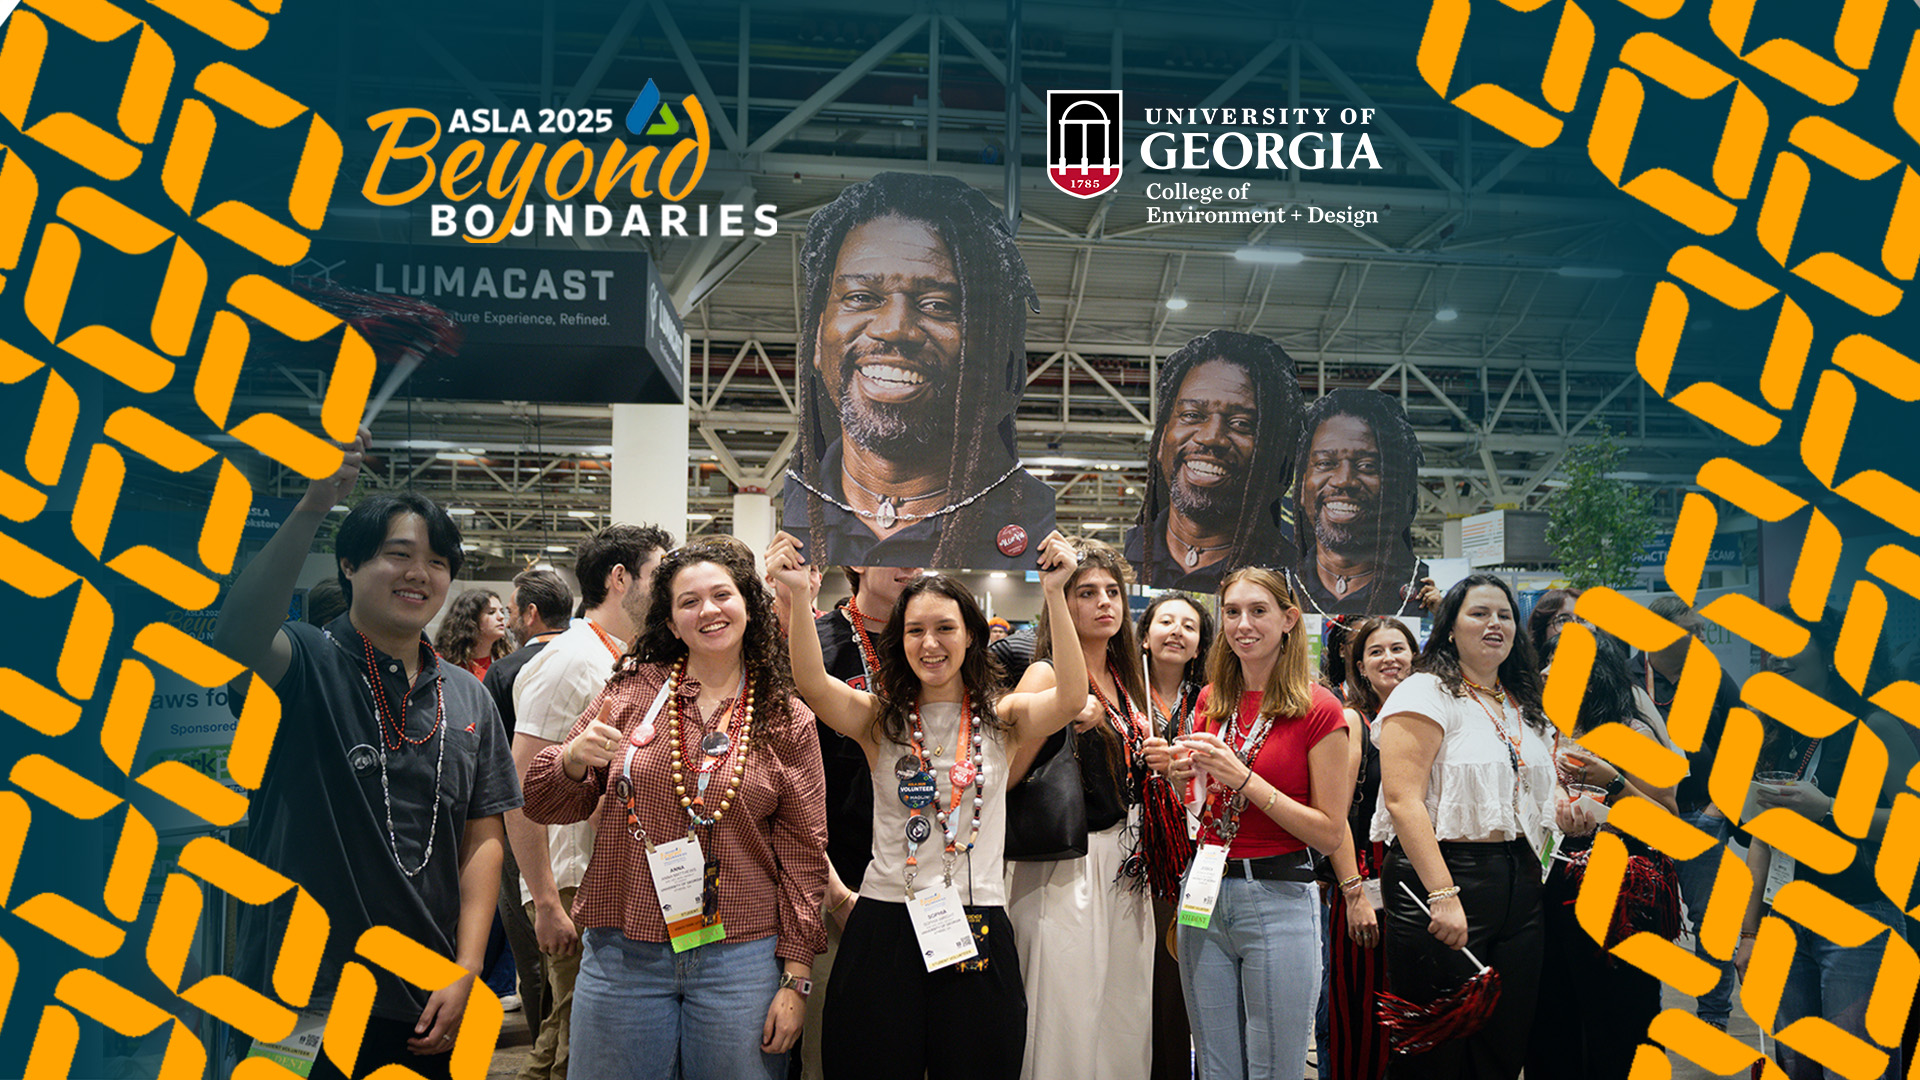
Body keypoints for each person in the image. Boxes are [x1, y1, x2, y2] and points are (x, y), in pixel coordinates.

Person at [211, 431, 521, 1080]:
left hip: (424, 998)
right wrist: (312, 506)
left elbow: (482, 836)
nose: (419, 573)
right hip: (301, 997)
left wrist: (468, 968)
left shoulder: (467, 694)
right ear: (348, 566)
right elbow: (236, 637)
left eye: (438, 561)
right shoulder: (304, 661)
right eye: (397, 554)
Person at [767, 527, 1087, 1079]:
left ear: (971, 636)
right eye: (915, 630)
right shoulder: (879, 720)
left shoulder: (1004, 718)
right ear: (901, 640)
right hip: (884, 922)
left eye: (945, 628)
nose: (930, 643)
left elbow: (1071, 698)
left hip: (976, 920)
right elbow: (813, 685)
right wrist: (797, 595)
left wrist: (1055, 594)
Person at [521, 539, 827, 1080]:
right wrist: (570, 760)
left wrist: (796, 978)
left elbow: (805, 854)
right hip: (623, 952)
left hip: (740, 958)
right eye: (689, 601)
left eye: (722, 595)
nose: (708, 610)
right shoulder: (631, 691)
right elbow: (545, 802)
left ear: (749, 605)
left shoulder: (785, 717)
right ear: (671, 621)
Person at [782, 172, 1057, 570]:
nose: (894, 329)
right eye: (861, 297)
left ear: (992, 347)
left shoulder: (1030, 521)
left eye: (937, 305)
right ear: (818, 334)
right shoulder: (798, 518)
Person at [1142, 567, 1349, 1080]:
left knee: (1274, 1067)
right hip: (1204, 892)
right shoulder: (1212, 701)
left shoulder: (1320, 709)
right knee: (1214, 1066)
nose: (1243, 625)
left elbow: (1328, 832)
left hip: (1279, 895)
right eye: (1232, 612)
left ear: (1289, 620)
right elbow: (1204, 810)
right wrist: (1180, 778)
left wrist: (1244, 778)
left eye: (1258, 611)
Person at [1372, 573, 1555, 1080]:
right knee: (1435, 1045)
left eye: (1504, 615)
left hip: (1521, 881)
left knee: (1503, 1042)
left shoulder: (1521, 701)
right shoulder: (1423, 691)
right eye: (1479, 613)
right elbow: (1402, 800)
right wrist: (1442, 893)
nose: (1495, 623)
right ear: (1450, 627)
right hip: (1444, 876)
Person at [508, 524, 674, 1080]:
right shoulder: (570, 659)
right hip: (570, 880)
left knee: (572, 1033)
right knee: (574, 1042)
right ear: (619, 578)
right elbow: (520, 786)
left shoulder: (622, 655)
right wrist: (545, 900)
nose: (669, 585)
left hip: (603, 874)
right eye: (659, 573)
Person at [1736, 607, 1917, 1080]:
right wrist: (1749, 933)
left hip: (1857, 918)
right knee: (1798, 1067)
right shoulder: (1777, 730)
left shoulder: (1874, 726)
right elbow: (1762, 838)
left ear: (1831, 654)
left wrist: (1831, 809)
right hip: (1784, 922)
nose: (1777, 657)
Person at [1005, 539, 1161, 1079]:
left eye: (1112, 592)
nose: (1104, 603)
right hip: (1066, 864)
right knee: (1063, 1013)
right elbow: (1007, 773)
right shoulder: (1047, 676)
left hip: (1129, 866)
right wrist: (1060, 717)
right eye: (1087, 592)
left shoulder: (1128, 680)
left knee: (1123, 1013)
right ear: (1062, 602)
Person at [1525, 624, 1680, 1080]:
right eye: (1548, 661)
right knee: (1554, 1020)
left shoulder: (1631, 731)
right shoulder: (1542, 730)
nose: (1547, 671)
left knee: (1618, 1019)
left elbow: (1667, 819)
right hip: (1551, 887)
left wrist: (1612, 782)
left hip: (1618, 892)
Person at [802, 564, 921, 1080]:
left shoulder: (936, 642)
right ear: (857, 558)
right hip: (837, 886)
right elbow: (790, 790)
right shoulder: (817, 643)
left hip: (924, 888)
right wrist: (835, 894)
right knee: (831, 1051)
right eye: (895, 545)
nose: (910, 562)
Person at [1127, 331, 1304, 591]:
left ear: (1274, 453)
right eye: (1192, 415)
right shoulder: (1123, 566)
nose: (1211, 437)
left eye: (1241, 423)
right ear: (1162, 438)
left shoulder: (1296, 578)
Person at [1635, 595, 1739, 1032]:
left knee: (1712, 920)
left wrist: (1719, 809)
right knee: (1641, 917)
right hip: (1641, 813)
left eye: (1699, 630)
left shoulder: (1712, 677)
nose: (1700, 638)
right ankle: (1641, 1011)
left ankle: (1714, 1014)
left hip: (1700, 815)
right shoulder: (1626, 677)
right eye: (1689, 631)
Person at [1323, 616, 1418, 1080]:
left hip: (1423, 885)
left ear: (1415, 657)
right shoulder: (1354, 722)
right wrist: (1354, 893)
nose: (1389, 659)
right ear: (1360, 666)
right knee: (1362, 1015)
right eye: (1376, 652)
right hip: (1367, 882)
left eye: (1398, 649)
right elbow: (1335, 815)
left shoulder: (1427, 720)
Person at [483, 568, 573, 1043]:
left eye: (512, 610)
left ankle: (544, 1042)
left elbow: (493, 761)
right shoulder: (598, 658)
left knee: (530, 943)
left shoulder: (506, 671)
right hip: (576, 825)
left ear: (531, 613)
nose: (509, 619)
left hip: (518, 823)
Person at [1137, 592, 1213, 1080]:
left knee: (1184, 983)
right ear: (1145, 636)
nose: (1176, 631)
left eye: (1189, 626)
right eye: (1166, 621)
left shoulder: (1211, 702)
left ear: (1200, 644)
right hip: (1130, 861)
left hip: (1194, 863)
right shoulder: (1121, 694)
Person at [1289, 389, 1429, 617]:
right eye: (1325, 463)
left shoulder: (1421, 592)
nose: (1344, 481)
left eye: (1367, 466)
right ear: (1303, 487)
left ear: (1397, 487)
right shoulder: (1281, 587)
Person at [437, 588, 511, 679]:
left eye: (502, 611)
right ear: (472, 620)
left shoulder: (507, 663)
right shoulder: (442, 663)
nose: (501, 617)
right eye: (491, 612)